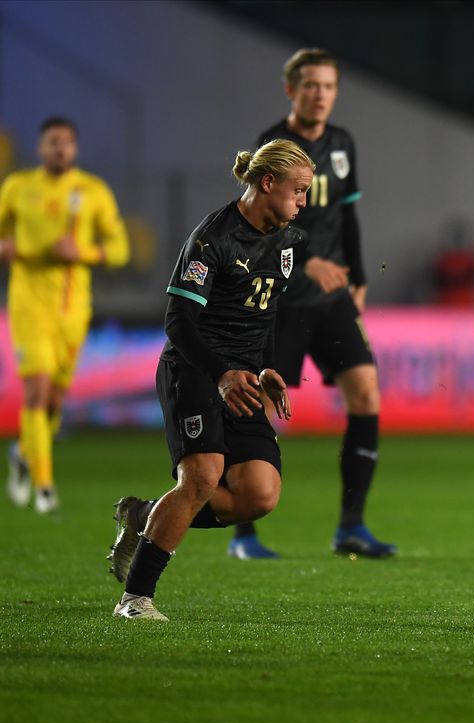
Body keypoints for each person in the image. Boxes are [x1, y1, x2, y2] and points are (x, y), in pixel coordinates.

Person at [105, 140, 311, 620]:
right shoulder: (212, 239)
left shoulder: (286, 241)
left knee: (259, 495)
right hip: (196, 370)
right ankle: (135, 599)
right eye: (299, 190)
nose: (304, 201)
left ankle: (144, 515)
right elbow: (178, 322)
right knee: (201, 479)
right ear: (267, 183)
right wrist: (221, 374)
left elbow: (264, 313)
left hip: (243, 379)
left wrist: (265, 368)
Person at [226, 47, 394, 560]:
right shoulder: (273, 146)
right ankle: (243, 532)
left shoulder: (342, 144)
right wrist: (308, 263)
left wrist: (358, 279)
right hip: (282, 299)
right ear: (291, 90)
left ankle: (351, 527)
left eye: (329, 86)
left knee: (365, 392)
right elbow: (258, 223)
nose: (320, 95)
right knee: (259, 403)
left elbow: (348, 218)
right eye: (311, 85)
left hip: (332, 297)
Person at [0, 117, 129, 513]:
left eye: (67, 142)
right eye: (53, 142)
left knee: (54, 404)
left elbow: (120, 249)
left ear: (74, 149)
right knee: (37, 392)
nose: (60, 148)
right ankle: (44, 487)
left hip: (72, 310)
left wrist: (83, 253)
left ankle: (22, 454)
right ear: (41, 148)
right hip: (28, 304)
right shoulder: (18, 188)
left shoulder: (92, 191)